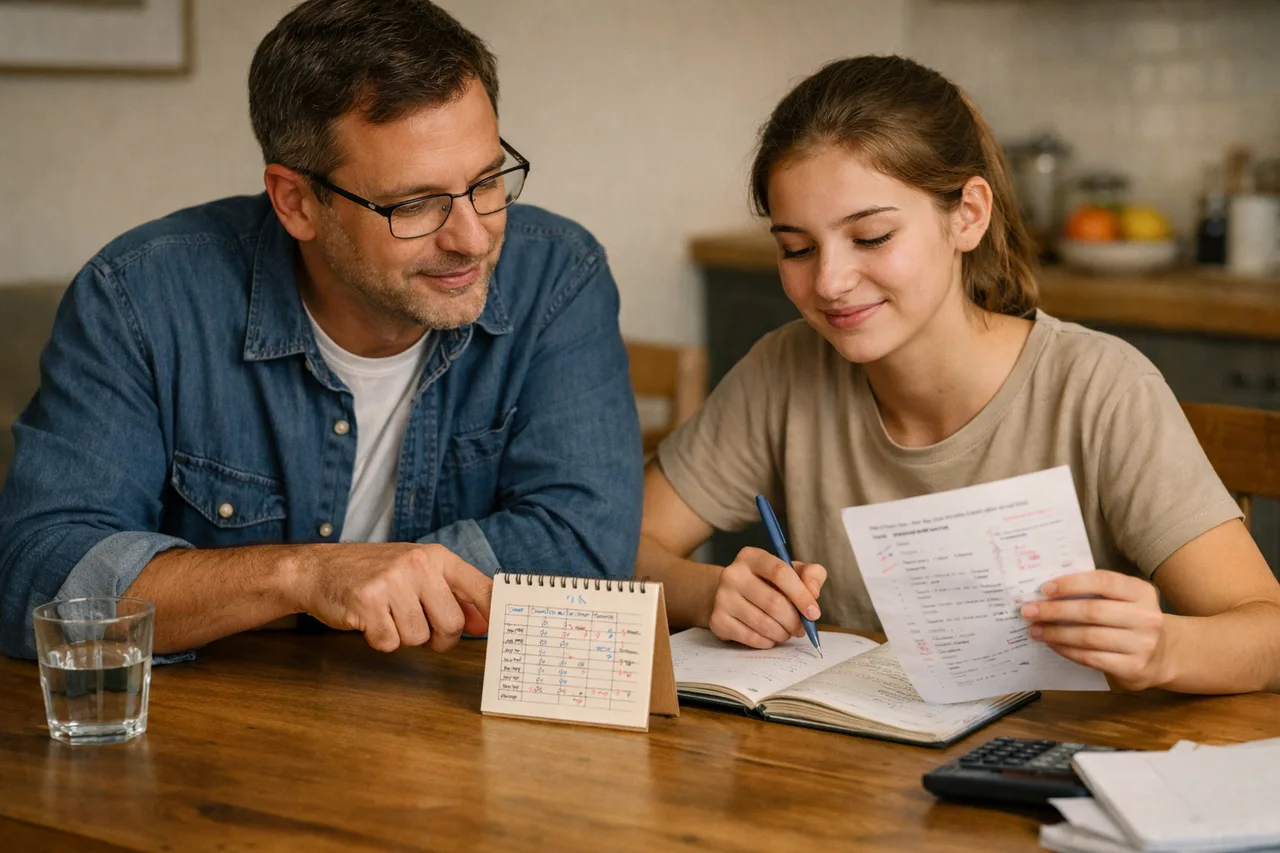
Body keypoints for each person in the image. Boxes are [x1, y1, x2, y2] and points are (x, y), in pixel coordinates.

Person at [0, 0, 642, 660]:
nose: (473, 238)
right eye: (415, 203)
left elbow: (587, 553)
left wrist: (253, 596)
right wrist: (305, 578)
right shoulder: (139, 297)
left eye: (486, 182)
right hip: (210, 737)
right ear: (296, 202)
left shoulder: (558, 277)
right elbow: (37, 578)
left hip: (452, 726)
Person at [640, 55, 1280, 695]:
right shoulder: (782, 369)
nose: (830, 283)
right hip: (847, 775)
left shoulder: (1099, 389)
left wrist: (1165, 647)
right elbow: (615, 546)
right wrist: (710, 591)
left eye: (871, 237)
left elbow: (1268, 632)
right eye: (796, 249)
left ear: (968, 215)